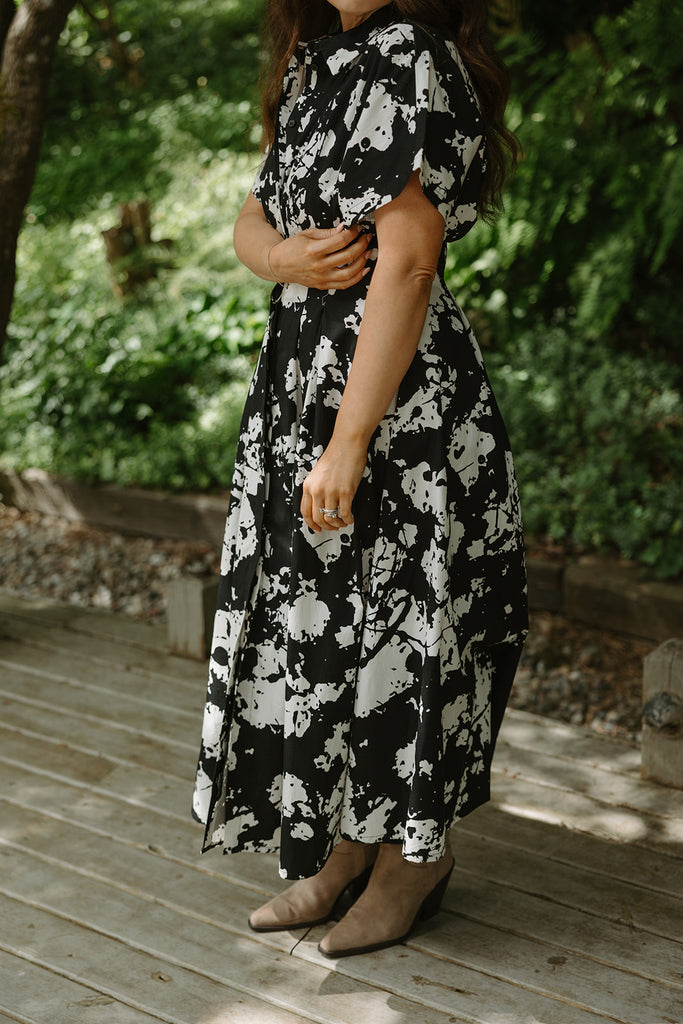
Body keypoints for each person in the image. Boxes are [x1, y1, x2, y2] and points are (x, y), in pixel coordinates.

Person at [192, 0, 528, 959]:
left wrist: (348, 441)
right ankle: (347, 846)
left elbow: (411, 259)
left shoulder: (407, 57)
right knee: (331, 620)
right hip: (305, 390)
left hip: (392, 409)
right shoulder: (315, 58)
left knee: (398, 623)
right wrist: (276, 255)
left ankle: (411, 862)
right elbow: (254, 214)